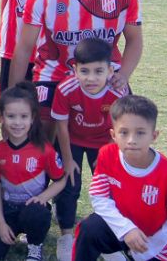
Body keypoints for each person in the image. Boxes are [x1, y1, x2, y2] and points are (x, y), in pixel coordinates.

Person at [8, 0, 144, 142]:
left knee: (122, 131)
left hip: (104, 72)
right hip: (54, 71)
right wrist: (13, 96)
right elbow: (24, 48)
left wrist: (123, 75)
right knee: (39, 134)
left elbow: (135, 40)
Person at [73, 95, 167, 260]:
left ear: (154, 136)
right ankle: (121, 251)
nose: (131, 140)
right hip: (122, 228)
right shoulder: (107, 155)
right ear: (113, 135)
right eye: (124, 132)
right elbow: (99, 197)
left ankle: (129, 254)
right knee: (89, 228)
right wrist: (126, 229)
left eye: (140, 133)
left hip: (157, 245)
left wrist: (148, 249)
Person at [50, 38, 128, 261]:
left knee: (109, 188)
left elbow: (121, 128)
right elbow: (61, 126)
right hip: (73, 140)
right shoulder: (66, 89)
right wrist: (67, 159)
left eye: (98, 71)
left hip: (104, 142)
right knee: (69, 184)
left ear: (110, 70)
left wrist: (110, 156)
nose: (91, 78)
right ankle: (66, 236)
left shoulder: (118, 92)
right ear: (74, 69)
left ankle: (107, 240)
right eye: (84, 71)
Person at [0, 82, 66, 261]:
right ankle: (8, 230)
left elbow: (60, 180)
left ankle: (35, 246)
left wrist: (43, 198)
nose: (17, 122)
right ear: (1, 118)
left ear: (32, 118)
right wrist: (1, 223)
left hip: (31, 209)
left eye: (23, 116)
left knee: (38, 213)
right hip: (7, 211)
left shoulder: (44, 149)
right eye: (11, 116)